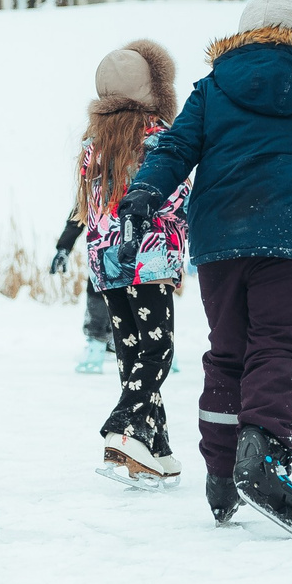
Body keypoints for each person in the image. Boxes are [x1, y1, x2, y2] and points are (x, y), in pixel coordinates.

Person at [119, 0, 292, 536]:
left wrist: (144, 191)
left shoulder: (213, 89)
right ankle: (260, 456)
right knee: (276, 347)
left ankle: (220, 475)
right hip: (284, 244)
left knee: (228, 352)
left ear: (244, 32)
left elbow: (174, 150)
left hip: (220, 243)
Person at [58, 41, 192, 488]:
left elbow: (89, 208)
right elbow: (174, 196)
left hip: (108, 266)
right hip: (148, 258)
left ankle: (156, 450)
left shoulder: (93, 145)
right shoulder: (156, 137)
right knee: (156, 352)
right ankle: (124, 427)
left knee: (132, 353)